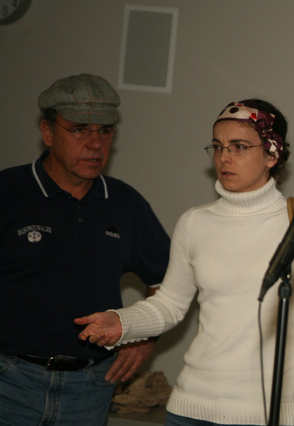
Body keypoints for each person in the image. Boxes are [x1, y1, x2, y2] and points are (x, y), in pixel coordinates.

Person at [75, 99, 294, 426]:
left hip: (268, 413)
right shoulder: (194, 222)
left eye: (239, 147)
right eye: (218, 146)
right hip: (190, 407)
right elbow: (169, 306)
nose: (224, 157)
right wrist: (121, 322)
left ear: (272, 154)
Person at [0, 73, 170, 426]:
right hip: (9, 382)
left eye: (105, 131)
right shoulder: (9, 192)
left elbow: (170, 281)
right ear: (48, 132)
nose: (95, 143)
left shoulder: (124, 203)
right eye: (79, 130)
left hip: (90, 386)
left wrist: (144, 336)